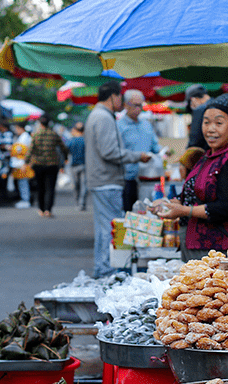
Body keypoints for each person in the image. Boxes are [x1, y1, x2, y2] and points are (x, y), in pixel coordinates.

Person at [157, 94, 228, 260]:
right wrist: (173, 203)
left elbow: (226, 208)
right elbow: (194, 191)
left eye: (219, 123)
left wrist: (184, 210)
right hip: (199, 246)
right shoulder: (209, 156)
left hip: (218, 252)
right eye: (206, 122)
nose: (210, 129)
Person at [85, 81, 152, 277]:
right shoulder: (104, 118)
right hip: (107, 181)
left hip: (101, 180)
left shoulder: (98, 115)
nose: (121, 103)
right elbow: (110, 152)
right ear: (113, 97)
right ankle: (107, 270)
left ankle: (103, 268)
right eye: (120, 99)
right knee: (109, 228)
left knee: (104, 227)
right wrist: (136, 156)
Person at [117, 89, 160, 212]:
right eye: (135, 105)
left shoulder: (146, 125)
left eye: (141, 105)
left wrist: (164, 152)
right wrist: (138, 157)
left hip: (147, 178)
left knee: (147, 213)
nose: (139, 108)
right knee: (129, 213)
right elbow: (118, 152)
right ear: (125, 105)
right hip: (127, 179)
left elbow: (155, 147)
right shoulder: (119, 126)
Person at [28, 114, 67, 218]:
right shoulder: (54, 134)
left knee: (40, 187)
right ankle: (48, 210)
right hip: (52, 165)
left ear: (40, 123)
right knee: (50, 188)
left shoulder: (36, 135)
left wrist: (26, 162)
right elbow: (63, 148)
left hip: (38, 164)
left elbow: (30, 150)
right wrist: (66, 158)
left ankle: (41, 209)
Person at [10, 123, 34, 209]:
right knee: (22, 183)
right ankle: (25, 199)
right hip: (20, 164)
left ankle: (25, 200)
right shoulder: (23, 137)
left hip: (22, 164)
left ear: (20, 128)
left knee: (23, 183)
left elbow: (19, 151)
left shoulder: (24, 138)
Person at [67, 121, 87, 211]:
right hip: (84, 165)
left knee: (75, 186)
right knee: (84, 186)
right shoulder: (86, 141)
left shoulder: (71, 141)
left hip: (73, 166)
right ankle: (82, 203)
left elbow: (65, 151)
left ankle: (77, 202)